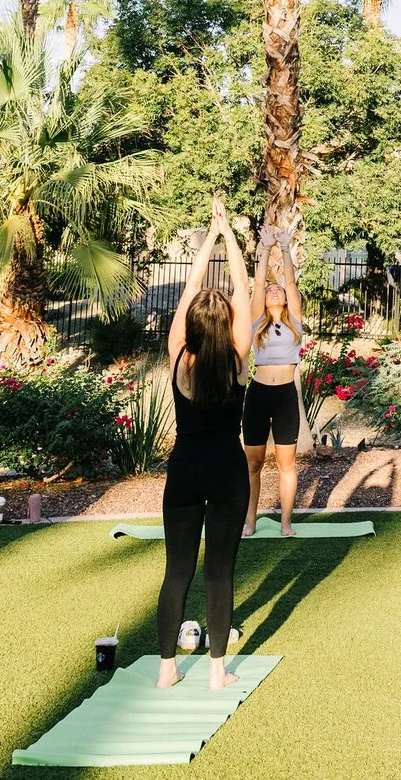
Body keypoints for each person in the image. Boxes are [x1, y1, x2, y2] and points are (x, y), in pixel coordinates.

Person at [158, 214, 255, 690]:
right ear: (230, 323)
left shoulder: (180, 355)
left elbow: (191, 290)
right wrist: (232, 238)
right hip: (227, 472)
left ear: (192, 323)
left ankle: (166, 670)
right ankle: (218, 671)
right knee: (220, 572)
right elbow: (242, 285)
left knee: (177, 572)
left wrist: (210, 238)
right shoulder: (239, 357)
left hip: (185, 470)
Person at [242, 232, 307, 538]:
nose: (275, 291)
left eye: (278, 289)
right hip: (257, 394)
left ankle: (285, 524)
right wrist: (265, 247)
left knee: (286, 463)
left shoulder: (294, 319)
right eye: (270, 290)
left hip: (284, 396)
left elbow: (291, 283)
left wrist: (283, 245)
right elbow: (257, 284)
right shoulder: (257, 320)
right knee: (252, 463)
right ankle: (250, 521)